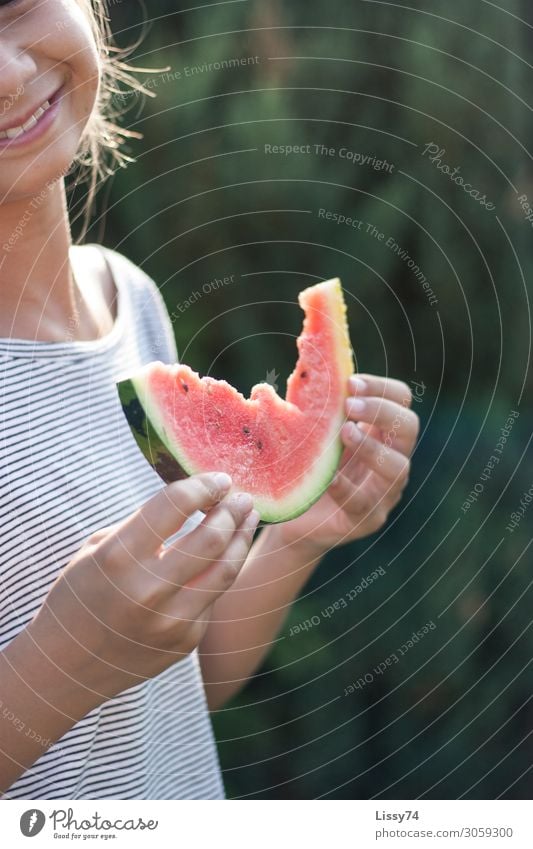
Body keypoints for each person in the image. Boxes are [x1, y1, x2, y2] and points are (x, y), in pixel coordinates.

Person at [0, 0, 419, 799]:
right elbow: (79, 672)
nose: (8, 74)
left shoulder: (130, 301)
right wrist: (62, 658)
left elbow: (168, 688)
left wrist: (297, 536)